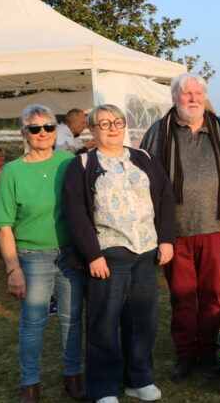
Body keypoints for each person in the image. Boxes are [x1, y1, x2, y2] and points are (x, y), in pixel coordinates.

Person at [63, 104, 176, 403]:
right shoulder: (82, 164)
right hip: (108, 254)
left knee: (143, 320)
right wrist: (92, 254)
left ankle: (139, 379)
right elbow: (75, 212)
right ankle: (104, 388)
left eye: (118, 122)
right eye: (104, 123)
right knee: (104, 323)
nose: (112, 128)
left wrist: (166, 239)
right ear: (92, 129)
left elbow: (165, 198)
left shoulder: (144, 158)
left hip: (146, 251)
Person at [140, 73, 220, 382]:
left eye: (198, 93)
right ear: (174, 97)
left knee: (212, 294)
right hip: (174, 229)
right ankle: (186, 353)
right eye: (186, 94)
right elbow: (143, 178)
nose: (193, 98)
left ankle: (208, 352)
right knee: (182, 295)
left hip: (216, 225)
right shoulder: (158, 131)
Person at [0, 105, 85, 403]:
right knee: (33, 323)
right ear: (24, 133)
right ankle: (30, 385)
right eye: (35, 128)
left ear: (56, 131)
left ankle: (73, 377)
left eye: (48, 127)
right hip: (32, 256)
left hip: (70, 255)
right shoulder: (13, 171)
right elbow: (3, 225)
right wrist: (13, 268)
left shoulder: (69, 162)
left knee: (72, 319)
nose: (42, 133)